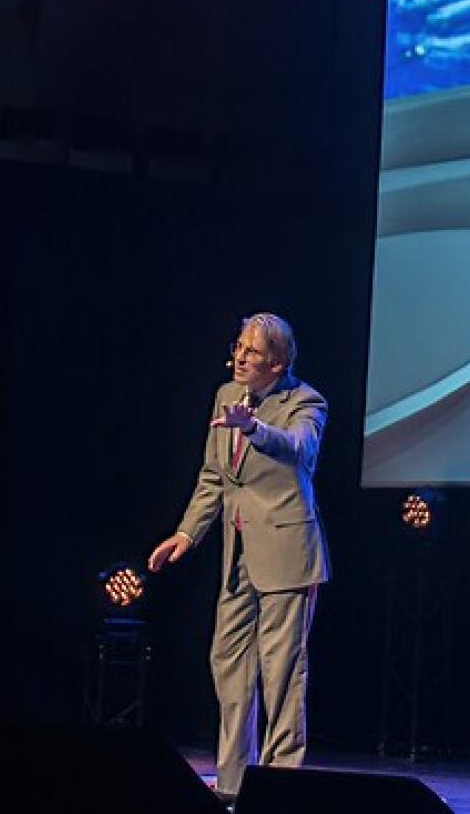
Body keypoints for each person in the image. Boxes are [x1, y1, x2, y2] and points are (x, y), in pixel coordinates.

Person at [148, 312, 329, 804]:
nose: (241, 357)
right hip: (237, 553)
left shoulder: (305, 402)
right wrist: (187, 532)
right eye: (239, 347)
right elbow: (213, 477)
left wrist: (253, 429)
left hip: (289, 552)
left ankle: (280, 785)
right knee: (227, 662)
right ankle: (231, 781)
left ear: (278, 362)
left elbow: (299, 448)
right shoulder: (227, 395)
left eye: (253, 351)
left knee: (282, 671)